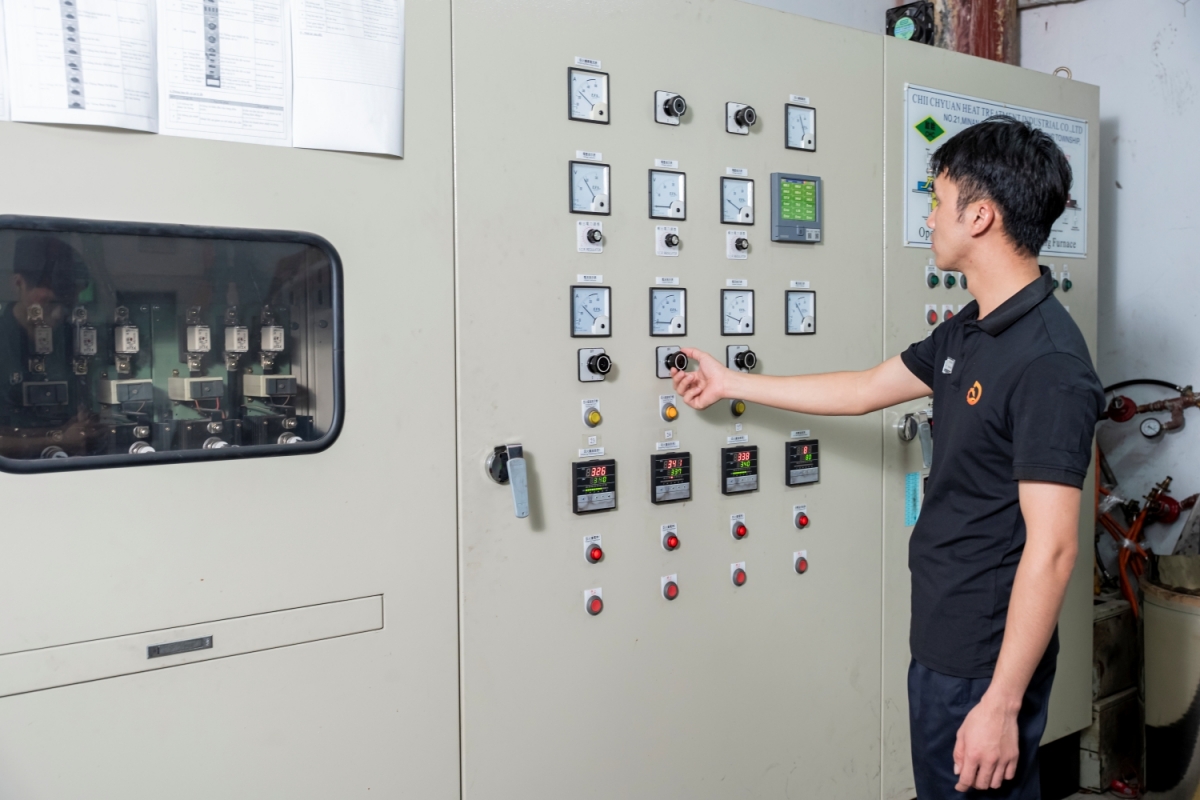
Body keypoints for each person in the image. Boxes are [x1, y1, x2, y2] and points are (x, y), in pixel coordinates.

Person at [673, 115, 1104, 799]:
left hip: (984, 656)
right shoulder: (973, 328)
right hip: (945, 633)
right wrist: (732, 384)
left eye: (938, 200)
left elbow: (1053, 551)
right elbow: (864, 389)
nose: (929, 217)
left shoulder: (1049, 364)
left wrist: (999, 705)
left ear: (980, 216)